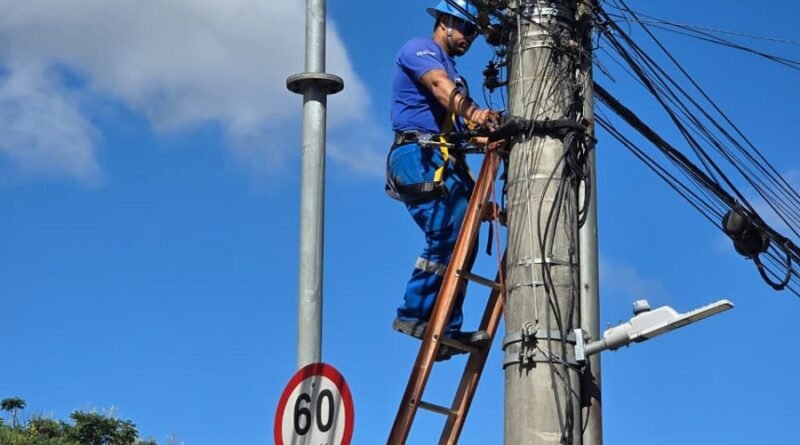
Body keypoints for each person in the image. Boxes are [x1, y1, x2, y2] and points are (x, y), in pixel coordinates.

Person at [386, 0, 502, 360]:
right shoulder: (419, 50)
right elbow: (438, 88)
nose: (471, 37)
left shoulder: (458, 78)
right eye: (466, 28)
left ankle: (445, 326)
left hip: (444, 158)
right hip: (416, 155)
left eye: (475, 31)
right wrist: (474, 112)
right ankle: (415, 314)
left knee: (465, 237)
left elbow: (468, 131)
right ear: (445, 22)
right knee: (447, 232)